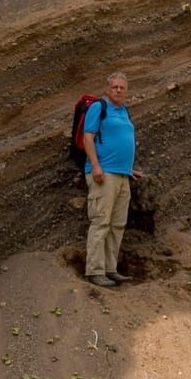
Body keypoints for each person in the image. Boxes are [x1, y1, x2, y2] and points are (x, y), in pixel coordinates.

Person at [82, 72, 138, 288]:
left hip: (122, 174)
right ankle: (95, 271)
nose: (118, 90)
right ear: (107, 89)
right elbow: (88, 137)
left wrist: (129, 169)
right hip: (103, 174)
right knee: (101, 222)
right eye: (114, 87)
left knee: (117, 224)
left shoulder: (124, 111)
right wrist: (96, 166)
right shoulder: (98, 107)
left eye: (122, 88)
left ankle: (110, 269)